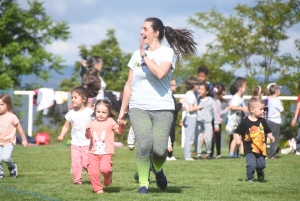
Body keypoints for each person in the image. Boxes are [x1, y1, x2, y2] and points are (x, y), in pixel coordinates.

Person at [117, 17, 197, 194]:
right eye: (141, 29)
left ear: (156, 32)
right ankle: (143, 185)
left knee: (160, 151)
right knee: (144, 145)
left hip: (163, 108)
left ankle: (158, 168)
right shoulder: (135, 55)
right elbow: (128, 85)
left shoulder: (167, 53)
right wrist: (122, 110)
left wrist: (145, 55)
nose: (141, 32)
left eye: (145, 29)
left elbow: (160, 73)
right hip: (139, 107)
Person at [57, 85, 98, 184]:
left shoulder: (90, 112)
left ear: (84, 99)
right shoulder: (71, 113)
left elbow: (96, 125)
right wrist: (61, 135)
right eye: (72, 97)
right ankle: (77, 180)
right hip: (75, 143)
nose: (73, 100)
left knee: (85, 163)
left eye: (75, 97)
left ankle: (93, 176)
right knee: (75, 163)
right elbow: (66, 126)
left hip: (88, 144)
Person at [85, 99, 126, 194]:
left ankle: (108, 176)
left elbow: (119, 131)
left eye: (103, 112)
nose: (100, 114)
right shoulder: (92, 123)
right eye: (98, 112)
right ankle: (98, 189)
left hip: (106, 152)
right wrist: (87, 131)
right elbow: (88, 137)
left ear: (108, 113)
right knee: (93, 172)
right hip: (93, 152)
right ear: (95, 111)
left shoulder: (110, 121)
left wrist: (122, 125)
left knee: (105, 169)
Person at [234, 97, 275, 182]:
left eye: (263, 109)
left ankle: (260, 172)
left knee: (261, 165)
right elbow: (237, 132)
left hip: (260, 149)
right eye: (261, 109)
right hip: (249, 148)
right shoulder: (245, 122)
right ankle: (250, 178)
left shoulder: (263, 121)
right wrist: (238, 139)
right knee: (251, 165)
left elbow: (268, 131)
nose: (263, 111)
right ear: (252, 110)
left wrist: (271, 136)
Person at [0, 94, 28, 178]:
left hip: (9, 142)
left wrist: (24, 140)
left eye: (2, 104)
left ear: (8, 105)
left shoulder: (12, 117)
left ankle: (12, 166)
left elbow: (20, 129)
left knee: (5, 157)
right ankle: (0, 172)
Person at [195, 83, 220, 159]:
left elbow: (215, 113)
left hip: (208, 123)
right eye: (199, 89)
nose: (199, 90)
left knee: (208, 139)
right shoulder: (197, 99)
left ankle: (208, 153)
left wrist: (216, 124)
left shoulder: (211, 101)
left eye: (202, 89)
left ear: (207, 91)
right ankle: (198, 154)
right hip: (198, 122)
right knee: (198, 138)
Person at [227, 77, 248, 158]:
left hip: (237, 121)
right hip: (233, 121)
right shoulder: (236, 97)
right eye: (245, 86)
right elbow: (232, 107)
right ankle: (231, 154)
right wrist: (242, 108)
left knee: (237, 137)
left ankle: (235, 153)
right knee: (235, 138)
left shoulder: (240, 97)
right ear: (240, 88)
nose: (246, 88)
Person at [183, 77, 203, 161]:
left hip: (189, 117)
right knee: (189, 138)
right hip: (191, 117)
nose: (198, 86)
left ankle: (187, 155)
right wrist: (199, 107)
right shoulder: (191, 95)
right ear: (194, 85)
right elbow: (191, 109)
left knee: (189, 137)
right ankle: (187, 156)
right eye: (197, 84)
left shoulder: (188, 94)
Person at [267, 84, 284, 159]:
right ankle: (272, 154)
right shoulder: (277, 101)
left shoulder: (270, 100)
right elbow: (282, 110)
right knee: (274, 138)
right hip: (275, 121)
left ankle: (267, 152)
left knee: (268, 137)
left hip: (269, 120)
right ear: (276, 92)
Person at [167, 79, 183, 161]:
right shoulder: (168, 96)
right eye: (174, 85)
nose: (176, 86)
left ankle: (170, 155)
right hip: (169, 119)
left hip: (172, 119)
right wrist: (180, 103)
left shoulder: (171, 95)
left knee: (171, 137)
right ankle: (167, 155)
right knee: (169, 137)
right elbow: (173, 108)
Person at [213, 83, 230, 159]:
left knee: (216, 137)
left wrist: (226, 101)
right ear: (222, 92)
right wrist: (227, 109)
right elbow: (219, 113)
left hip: (216, 121)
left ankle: (216, 153)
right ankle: (217, 153)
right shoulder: (218, 102)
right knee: (217, 138)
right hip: (217, 121)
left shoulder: (218, 99)